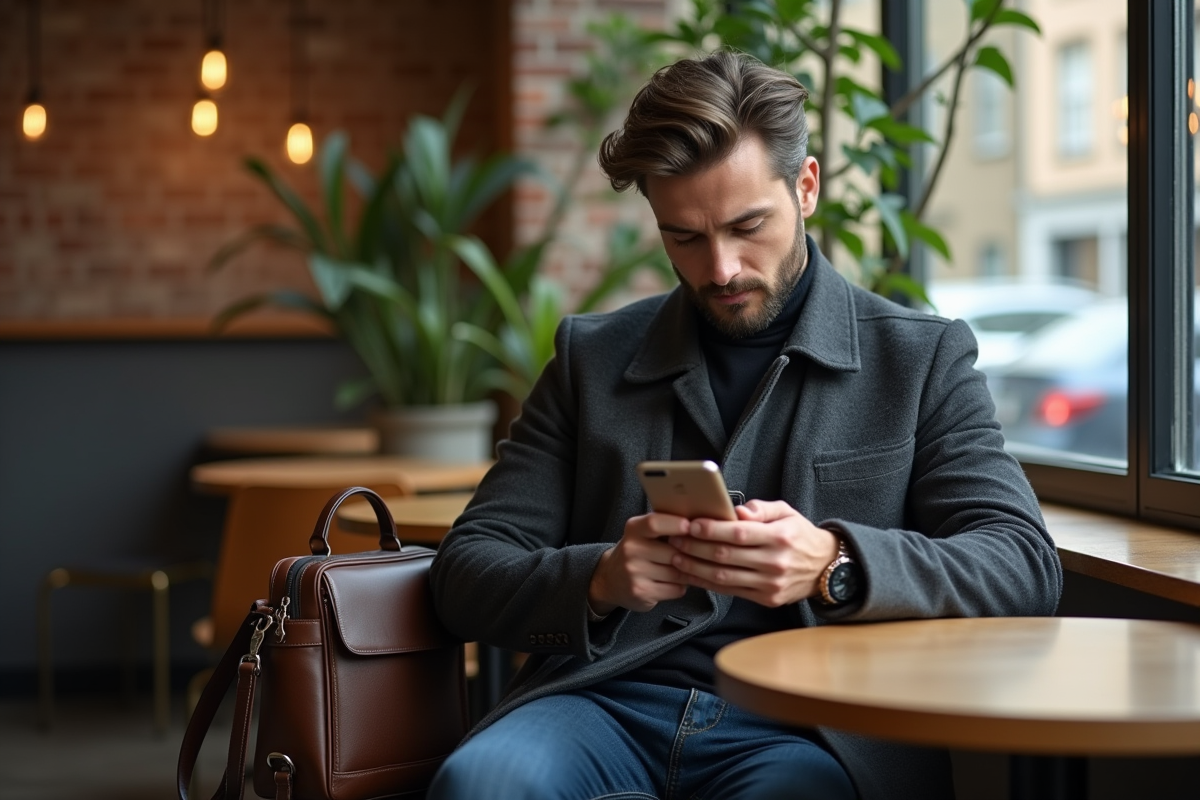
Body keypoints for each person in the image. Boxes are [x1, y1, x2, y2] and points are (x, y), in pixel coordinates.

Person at [428, 50, 1061, 800]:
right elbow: (465, 573)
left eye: (746, 225)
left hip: (811, 726)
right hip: (605, 704)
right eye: (684, 237)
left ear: (807, 187)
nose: (720, 268)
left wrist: (834, 563)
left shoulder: (919, 359)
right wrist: (600, 579)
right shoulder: (590, 360)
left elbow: (1022, 562)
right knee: (479, 784)